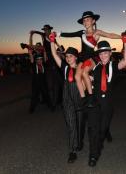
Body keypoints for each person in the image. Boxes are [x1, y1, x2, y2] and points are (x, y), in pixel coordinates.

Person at [60, 11, 124, 109]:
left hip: (91, 57)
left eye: (87, 20)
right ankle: (83, 98)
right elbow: (70, 34)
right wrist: (59, 33)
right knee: (77, 76)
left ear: (93, 21)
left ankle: (90, 98)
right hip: (82, 57)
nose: (85, 22)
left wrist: (122, 37)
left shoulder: (97, 32)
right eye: (84, 21)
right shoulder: (81, 33)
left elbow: (110, 35)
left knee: (85, 72)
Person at [87, 36, 126, 167]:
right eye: (101, 53)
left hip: (107, 105)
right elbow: (88, 78)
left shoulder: (113, 66)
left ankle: (104, 135)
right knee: (93, 130)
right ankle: (94, 155)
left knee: (101, 130)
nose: (103, 55)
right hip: (95, 103)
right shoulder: (95, 68)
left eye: (106, 52)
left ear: (110, 53)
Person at [49, 33, 84, 163]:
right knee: (71, 126)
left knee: (80, 125)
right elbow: (54, 55)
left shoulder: (82, 69)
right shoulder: (64, 68)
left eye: (71, 56)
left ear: (75, 57)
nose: (68, 58)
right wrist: (52, 41)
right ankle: (72, 151)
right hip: (67, 101)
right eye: (67, 56)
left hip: (80, 102)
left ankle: (79, 142)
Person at [30, 25, 63, 112]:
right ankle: (52, 103)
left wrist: (61, 50)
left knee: (58, 83)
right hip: (47, 62)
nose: (46, 31)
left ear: (50, 30)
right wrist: (33, 32)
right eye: (45, 30)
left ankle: (59, 101)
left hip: (54, 61)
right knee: (50, 85)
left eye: (47, 30)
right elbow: (38, 32)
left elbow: (57, 44)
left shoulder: (51, 37)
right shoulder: (43, 36)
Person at [26, 39, 48, 114]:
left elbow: (45, 57)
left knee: (45, 92)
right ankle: (32, 108)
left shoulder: (43, 59)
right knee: (34, 94)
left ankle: (49, 104)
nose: (39, 60)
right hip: (35, 81)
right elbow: (31, 55)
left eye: (39, 46)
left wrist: (44, 50)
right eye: (38, 59)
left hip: (43, 80)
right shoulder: (34, 58)